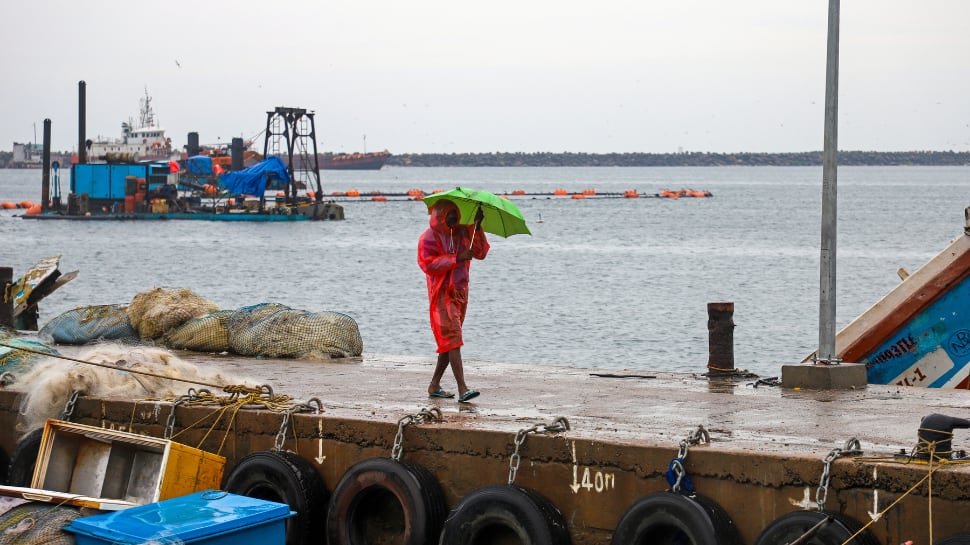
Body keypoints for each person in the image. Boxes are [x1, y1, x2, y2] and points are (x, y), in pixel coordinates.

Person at [418, 199, 489, 403]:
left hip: (460, 293)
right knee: (453, 339)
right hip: (441, 295)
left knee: (449, 343)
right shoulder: (428, 238)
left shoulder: (462, 232)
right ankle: (462, 389)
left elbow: (481, 253)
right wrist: (456, 258)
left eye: (454, 216)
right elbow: (428, 264)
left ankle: (434, 384)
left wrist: (477, 226)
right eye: (447, 216)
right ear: (439, 217)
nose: (451, 219)